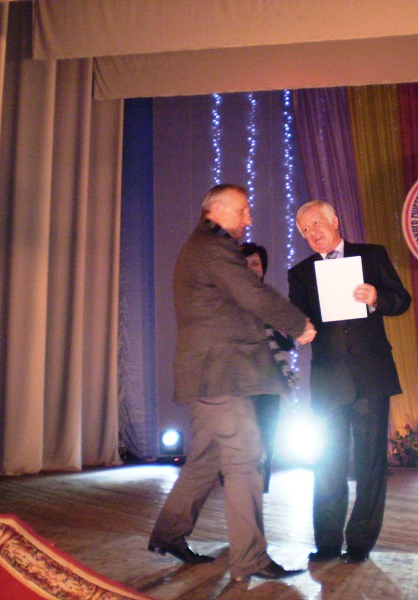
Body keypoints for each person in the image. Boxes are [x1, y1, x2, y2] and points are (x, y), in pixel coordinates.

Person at [148, 184, 316, 582]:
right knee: (246, 457)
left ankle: (169, 534)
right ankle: (250, 559)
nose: (249, 218)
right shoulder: (212, 248)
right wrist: (298, 323)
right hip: (220, 375)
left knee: (206, 459)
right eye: (243, 210)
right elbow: (252, 294)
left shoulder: (202, 247)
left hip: (211, 375)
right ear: (218, 209)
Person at [287, 200, 412, 564]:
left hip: (370, 376)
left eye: (316, 224)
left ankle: (359, 543)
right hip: (329, 380)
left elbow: (401, 300)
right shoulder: (301, 273)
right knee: (327, 464)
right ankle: (327, 543)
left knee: (370, 464)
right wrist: (299, 330)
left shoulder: (371, 256)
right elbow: (296, 318)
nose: (312, 233)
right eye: (305, 230)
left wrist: (376, 298)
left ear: (335, 221)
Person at [238, 242, 295, 493]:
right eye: (245, 263)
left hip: (269, 379)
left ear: (263, 269)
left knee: (267, 436)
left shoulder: (271, 301)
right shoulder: (226, 300)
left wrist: (282, 328)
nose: (251, 268)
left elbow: (288, 344)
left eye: (256, 263)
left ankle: (260, 487)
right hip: (238, 379)